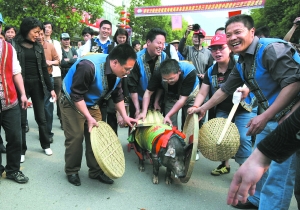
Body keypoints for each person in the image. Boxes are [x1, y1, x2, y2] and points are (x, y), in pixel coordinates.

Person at [191, 14, 300, 210]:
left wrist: (264, 116)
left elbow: (293, 83)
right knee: (262, 167)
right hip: (270, 118)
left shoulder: (271, 49)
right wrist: (202, 109)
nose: (232, 37)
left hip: (290, 119)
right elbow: (224, 90)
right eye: (229, 34)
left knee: (279, 173)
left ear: (251, 32)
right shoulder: (241, 61)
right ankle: (256, 200)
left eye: (238, 32)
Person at [60, 43, 137, 186]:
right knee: (76, 137)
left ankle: (95, 171)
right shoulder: (88, 66)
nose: (128, 72)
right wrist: (88, 117)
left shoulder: (119, 72)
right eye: (127, 69)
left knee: (97, 137)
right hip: (71, 102)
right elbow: (76, 95)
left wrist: (125, 116)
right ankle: (72, 170)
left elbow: (117, 95)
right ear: (115, 62)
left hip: (91, 103)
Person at [188, 34, 257, 175]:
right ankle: (225, 165)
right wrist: (196, 107)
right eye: (214, 49)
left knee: (243, 138)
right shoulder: (211, 71)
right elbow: (202, 93)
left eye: (221, 48)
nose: (217, 52)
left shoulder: (241, 63)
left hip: (244, 108)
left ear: (230, 48)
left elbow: (256, 80)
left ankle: (244, 171)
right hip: (223, 108)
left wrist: (247, 89)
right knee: (221, 137)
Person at [227, 105, 300, 209]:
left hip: (288, 118)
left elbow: (293, 88)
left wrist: (290, 112)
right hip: (272, 115)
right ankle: (256, 199)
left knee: (279, 176)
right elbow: (226, 89)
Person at [13, 17, 56, 161]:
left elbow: (44, 68)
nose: (38, 35)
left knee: (41, 118)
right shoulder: (15, 45)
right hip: (21, 86)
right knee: (22, 121)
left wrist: (51, 89)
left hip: (38, 85)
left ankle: (45, 144)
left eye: (39, 32)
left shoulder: (38, 46)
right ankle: (22, 150)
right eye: (35, 32)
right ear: (26, 30)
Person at [0, 13, 29, 183]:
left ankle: (13, 170)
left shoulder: (9, 48)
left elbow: (16, 72)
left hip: (10, 102)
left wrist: (23, 94)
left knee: (15, 137)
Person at [139, 59, 199, 128]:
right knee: (169, 123)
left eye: (171, 78)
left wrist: (168, 115)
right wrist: (144, 112)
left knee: (190, 125)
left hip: (190, 95)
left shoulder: (190, 71)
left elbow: (182, 99)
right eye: (165, 79)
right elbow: (148, 92)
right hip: (171, 96)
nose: (168, 81)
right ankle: (173, 137)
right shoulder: (159, 72)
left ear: (179, 71)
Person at [127, 28, 167, 119]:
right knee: (136, 128)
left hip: (157, 102)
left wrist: (157, 101)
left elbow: (163, 82)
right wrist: (137, 109)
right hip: (138, 101)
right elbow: (132, 86)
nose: (161, 46)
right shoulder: (136, 59)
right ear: (148, 42)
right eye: (159, 43)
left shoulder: (164, 57)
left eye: (163, 43)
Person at [101, 28, 129, 135]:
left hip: (123, 79)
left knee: (113, 109)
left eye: (123, 37)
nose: (121, 39)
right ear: (116, 37)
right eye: (119, 37)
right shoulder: (110, 47)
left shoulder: (128, 49)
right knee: (106, 109)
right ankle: (102, 135)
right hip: (111, 78)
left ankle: (113, 135)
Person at [36, 26, 60, 145]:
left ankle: (48, 132)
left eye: (41, 34)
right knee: (38, 107)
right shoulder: (32, 46)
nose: (40, 37)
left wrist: (50, 62)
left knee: (47, 108)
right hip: (34, 80)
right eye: (38, 34)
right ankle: (42, 132)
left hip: (48, 79)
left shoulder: (50, 46)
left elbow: (58, 61)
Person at [43, 21, 63, 130]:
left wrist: (50, 62)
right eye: (45, 27)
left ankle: (62, 121)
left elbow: (58, 58)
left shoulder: (55, 43)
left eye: (49, 27)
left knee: (59, 99)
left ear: (52, 30)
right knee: (47, 101)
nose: (47, 29)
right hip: (46, 76)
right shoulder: (38, 43)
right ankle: (45, 125)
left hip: (56, 75)